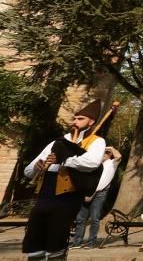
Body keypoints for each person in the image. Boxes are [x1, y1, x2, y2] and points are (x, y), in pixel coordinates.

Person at [22, 100, 107, 261]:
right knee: (34, 240)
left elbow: (92, 163)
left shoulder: (97, 141)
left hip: (67, 198)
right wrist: (38, 167)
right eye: (74, 118)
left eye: (80, 119)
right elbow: (28, 171)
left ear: (92, 121)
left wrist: (63, 160)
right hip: (44, 195)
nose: (75, 122)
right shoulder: (57, 141)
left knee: (56, 240)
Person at [69, 145, 121, 249]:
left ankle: (91, 243)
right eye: (102, 152)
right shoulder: (93, 165)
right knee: (80, 218)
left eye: (106, 153)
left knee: (94, 219)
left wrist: (110, 148)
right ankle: (77, 242)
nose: (104, 154)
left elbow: (118, 156)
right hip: (87, 193)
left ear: (110, 154)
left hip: (100, 194)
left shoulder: (111, 163)